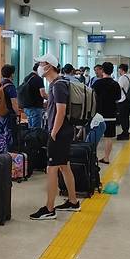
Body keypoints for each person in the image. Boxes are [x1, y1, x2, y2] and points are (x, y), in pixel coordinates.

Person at [29, 53, 80, 220]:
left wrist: (53, 134)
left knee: (51, 170)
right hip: (65, 132)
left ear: (49, 66)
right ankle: (73, 201)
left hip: (59, 134)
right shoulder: (60, 83)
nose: (39, 67)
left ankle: (49, 208)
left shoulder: (57, 85)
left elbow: (61, 111)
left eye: (41, 63)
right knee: (64, 166)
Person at [91, 62, 121, 164]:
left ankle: (92, 157)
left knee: (95, 136)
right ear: (112, 71)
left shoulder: (97, 83)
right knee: (108, 137)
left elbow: (93, 98)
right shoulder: (115, 84)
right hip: (111, 114)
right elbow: (118, 99)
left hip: (98, 114)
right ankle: (106, 158)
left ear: (102, 70)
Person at [0, 64, 19, 150]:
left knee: (1, 135)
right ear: (11, 74)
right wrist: (17, 114)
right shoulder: (10, 86)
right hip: (9, 115)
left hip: (0, 114)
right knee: (9, 138)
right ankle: (9, 156)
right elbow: (14, 103)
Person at [20, 63, 47, 129]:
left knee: (30, 128)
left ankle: (29, 139)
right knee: (36, 129)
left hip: (26, 107)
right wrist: (51, 98)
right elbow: (43, 94)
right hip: (35, 107)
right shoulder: (38, 79)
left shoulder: (27, 78)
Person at [116, 63, 130, 141]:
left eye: (119, 69)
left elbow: (118, 88)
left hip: (123, 100)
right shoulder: (129, 77)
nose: (118, 70)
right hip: (128, 99)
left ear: (121, 69)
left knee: (122, 117)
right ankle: (126, 132)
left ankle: (125, 133)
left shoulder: (122, 78)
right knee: (126, 117)